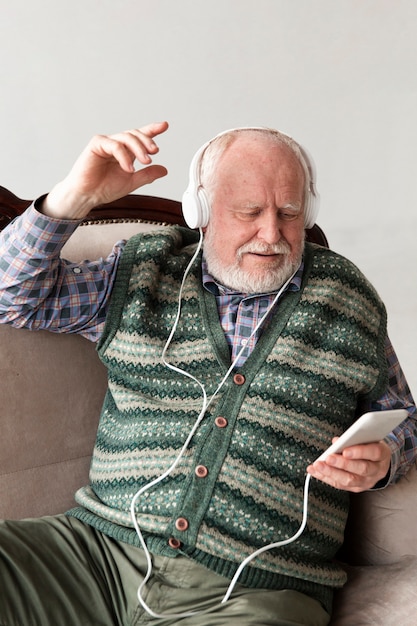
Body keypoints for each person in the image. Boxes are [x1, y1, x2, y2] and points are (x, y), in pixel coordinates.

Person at [0, 121, 415, 626]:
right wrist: (73, 197)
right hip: (95, 556)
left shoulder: (348, 299)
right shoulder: (144, 270)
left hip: (257, 585)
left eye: (289, 213)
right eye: (249, 213)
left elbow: (401, 418)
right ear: (201, 211)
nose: (272, 234)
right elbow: (12, 296)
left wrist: (385, 457)